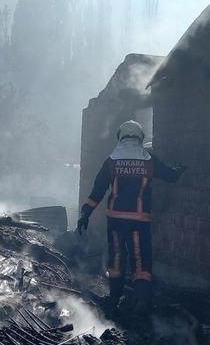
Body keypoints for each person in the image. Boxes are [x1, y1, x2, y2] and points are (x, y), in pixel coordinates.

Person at [76, 120, 185, 310]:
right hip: (139, 220)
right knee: (140, 258)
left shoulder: (111, 161)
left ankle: (114, 296)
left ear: (121, 136)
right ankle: (142, 300)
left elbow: (98, 191)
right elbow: (171, 176)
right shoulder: (149, 160)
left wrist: (85, 213)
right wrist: (179, 169)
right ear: (140, 137)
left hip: (116, 220)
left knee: (116, 256)